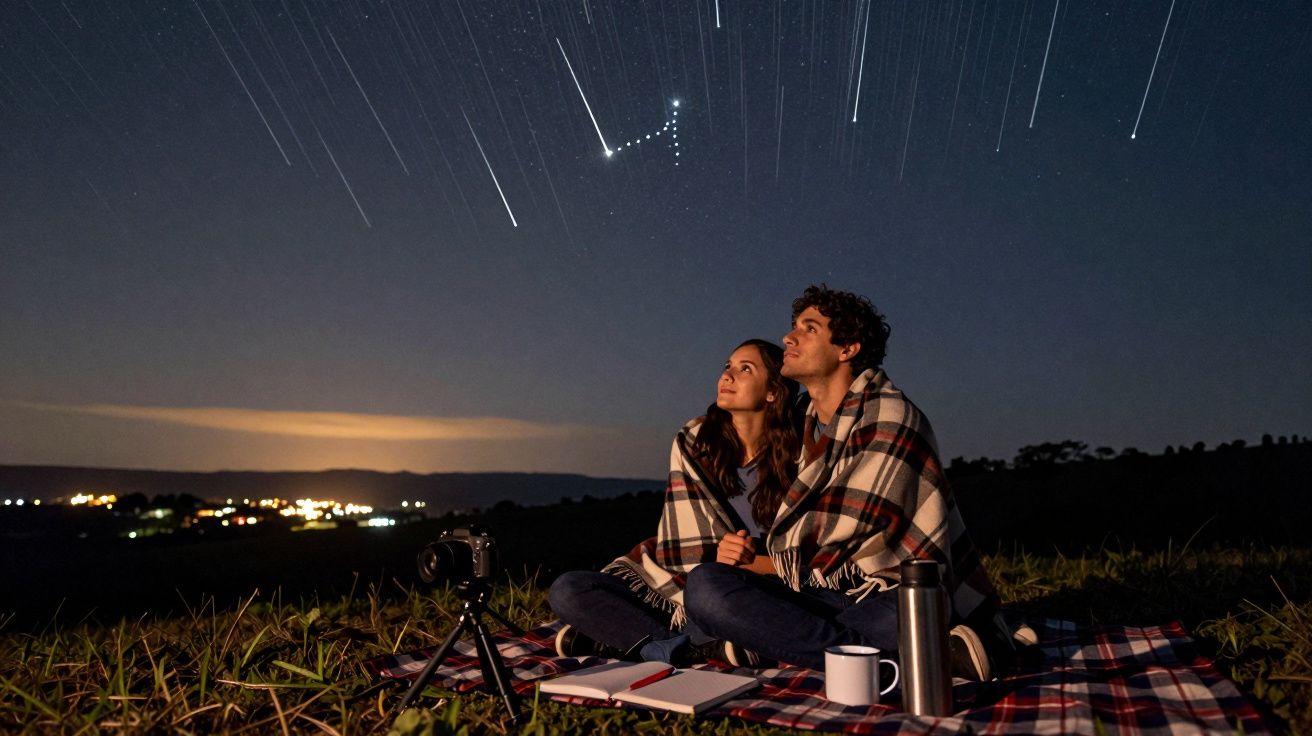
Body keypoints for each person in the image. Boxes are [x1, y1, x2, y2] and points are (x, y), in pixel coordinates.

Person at [683, 285, 1007, 679]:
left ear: (847, 349)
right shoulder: (799, 426)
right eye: (793, 326)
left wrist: (759, 565)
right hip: (817, 593)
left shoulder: (890, 416)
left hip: (888, 593)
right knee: (706, 588)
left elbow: (853, 550)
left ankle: (847, 656)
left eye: (809, 328)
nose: (789, 337)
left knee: (894, 619)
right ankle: (910, 659)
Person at [548, 339, 800, 664]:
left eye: (745, 369)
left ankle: (626, 642)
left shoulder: (797, 456)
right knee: (568, 589)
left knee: (719, 600)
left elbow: (798, 549)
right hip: (678, 581)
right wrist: (716, 559)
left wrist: (744, 563)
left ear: (773, 392)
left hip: (750, 584)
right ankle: (692, 647)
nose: (727, 376)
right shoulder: (695, 440)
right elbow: (688, 541)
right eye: (728, 367)